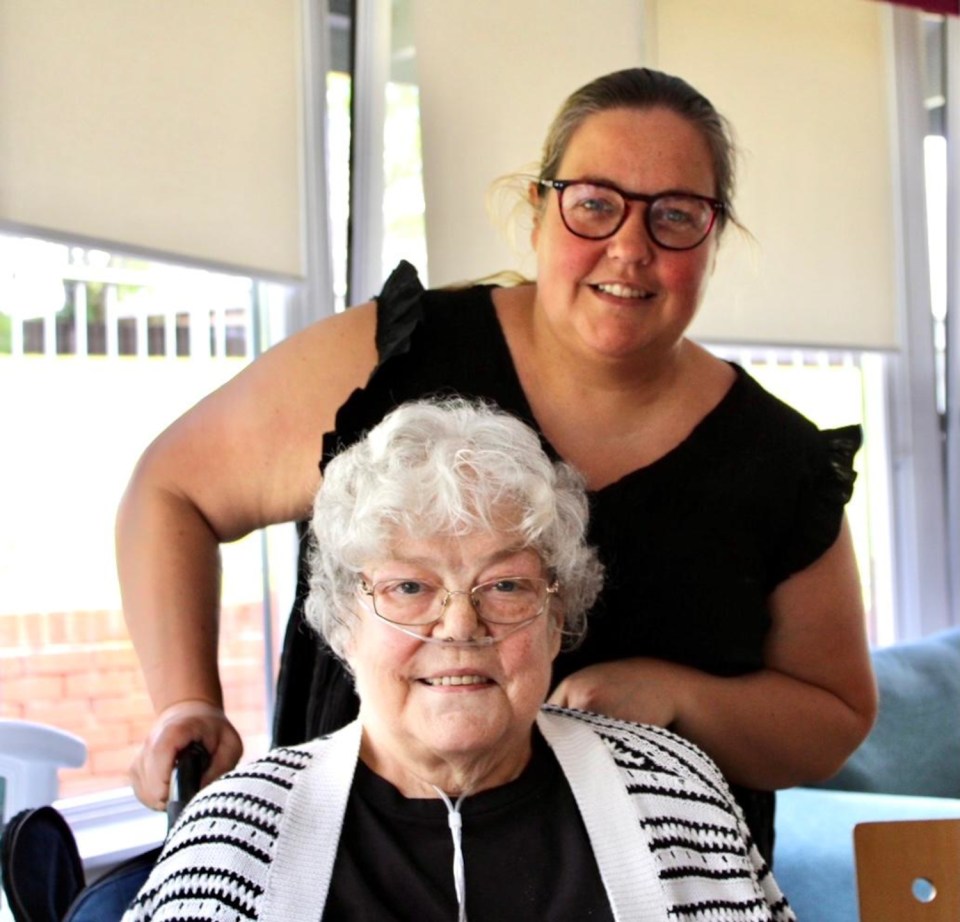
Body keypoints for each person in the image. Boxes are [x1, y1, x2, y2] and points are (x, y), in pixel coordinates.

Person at [118, 66, 877, 861]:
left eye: (676, 216)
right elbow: (170, 493)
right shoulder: (389, 361)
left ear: (714, 238)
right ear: (538, 211)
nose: (630, 247)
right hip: (359, 875)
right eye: (594, 204)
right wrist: (185, 703)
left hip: (666, 892)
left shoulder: (775, 461)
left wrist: (679, 700)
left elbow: (832, 718)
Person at [121, 399, 795, 921]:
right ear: (343, 622)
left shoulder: (677, 794)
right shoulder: (233, 840)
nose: (460, 625)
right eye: (409, 587)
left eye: (505, 586)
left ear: (558, 617)